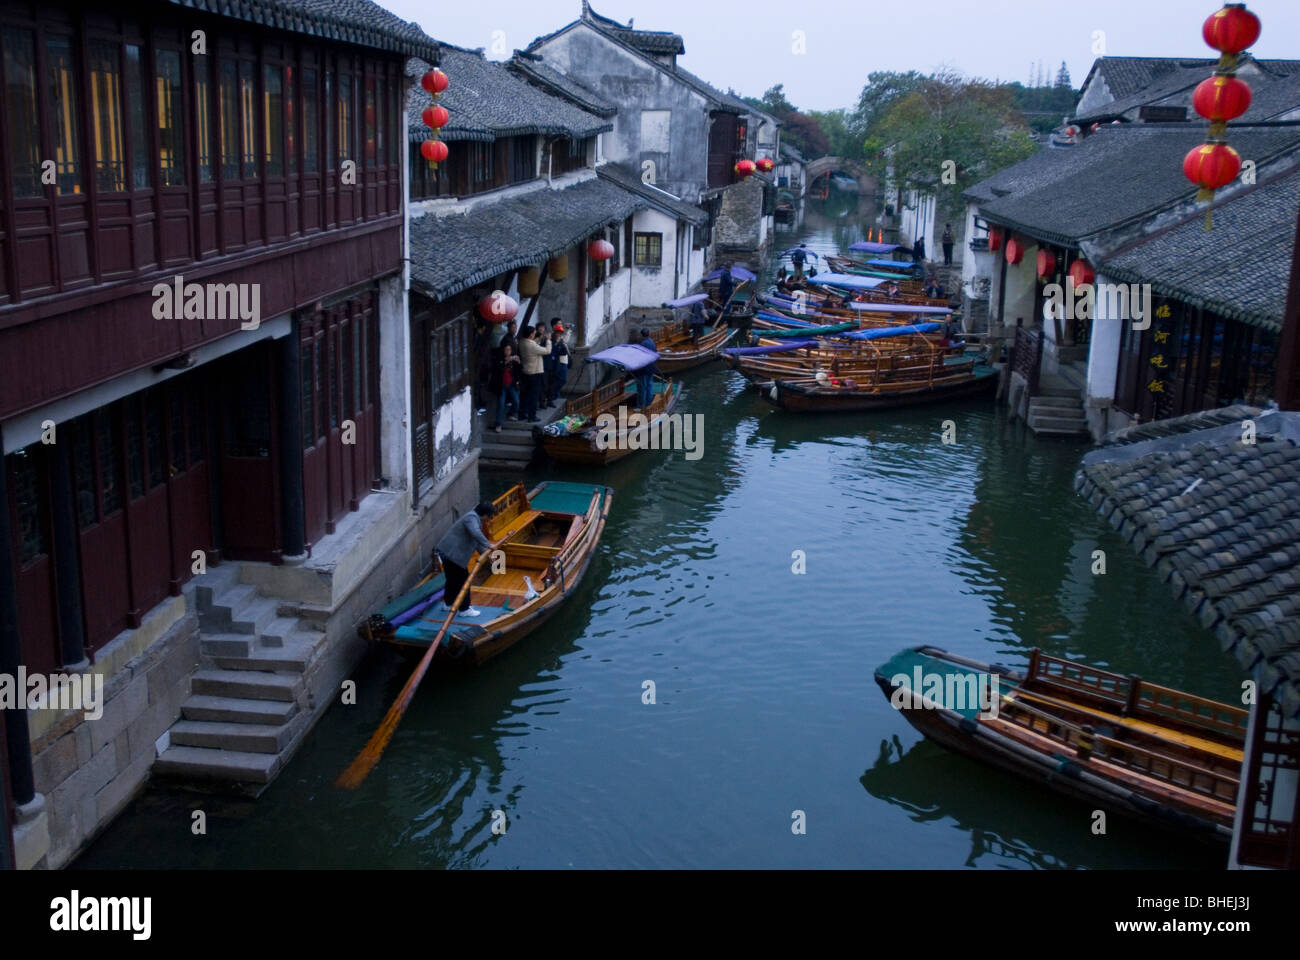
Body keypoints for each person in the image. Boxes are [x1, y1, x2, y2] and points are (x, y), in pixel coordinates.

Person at [435, 501, 500, 618]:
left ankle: (448, 604)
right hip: (452, 554)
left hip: (447, 552)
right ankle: (464, 609)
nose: (488, 520)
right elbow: (476, 533)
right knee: (463, 580)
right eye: (489, 517)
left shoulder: (473, 519)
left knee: (452, 580)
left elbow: (475, 542)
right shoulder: (471, 518)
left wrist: (487, 555)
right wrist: (489, 545)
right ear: (485, 514)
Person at [517, 324, 550, 422]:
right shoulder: (531, 344)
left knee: (524, 394)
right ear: (531, 334)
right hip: (535, 373)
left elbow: (532, 344)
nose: (535, 335)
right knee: (534, 395)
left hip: (525, 371)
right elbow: (547, 351)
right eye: (534, 334)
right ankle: (532, 416)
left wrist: (538, 340)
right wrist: (548, 340)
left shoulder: (522, 342)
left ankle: (522, 414)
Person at [491, 343, 521, 432]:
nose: (508, 352)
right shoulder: (499, 359)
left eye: (509, 350)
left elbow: (518, 371)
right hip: (501, 385)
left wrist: (518, 363)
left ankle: (511, 414)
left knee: (516, 401)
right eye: (506, 350)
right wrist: (505, 363)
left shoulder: (513, 360)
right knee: (501, 404)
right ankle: (498, 424)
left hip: (511, 384)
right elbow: (496, 371)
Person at [637, 327, 658, 408]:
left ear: (642, 335)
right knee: (649, 386)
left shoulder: (642, 345)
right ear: (648, 334)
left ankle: (641, 406)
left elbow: (640, 357)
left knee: (642, 388)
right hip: (651, 368)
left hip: (644, 369)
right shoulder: (652, 342)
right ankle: (648, 404)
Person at [548, 321, 569, 403]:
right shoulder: (551, 340)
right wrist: (557, 344)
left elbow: (564, 352)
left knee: (563, 380)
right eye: (558, 332)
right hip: (554, 363)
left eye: (561, 332)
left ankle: (553, 394)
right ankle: (552, 395)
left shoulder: (561, 341)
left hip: (560, 362)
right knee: (556, 380)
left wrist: (563, 345)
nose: (560, 334)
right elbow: (551, 351)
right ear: (555, 332)